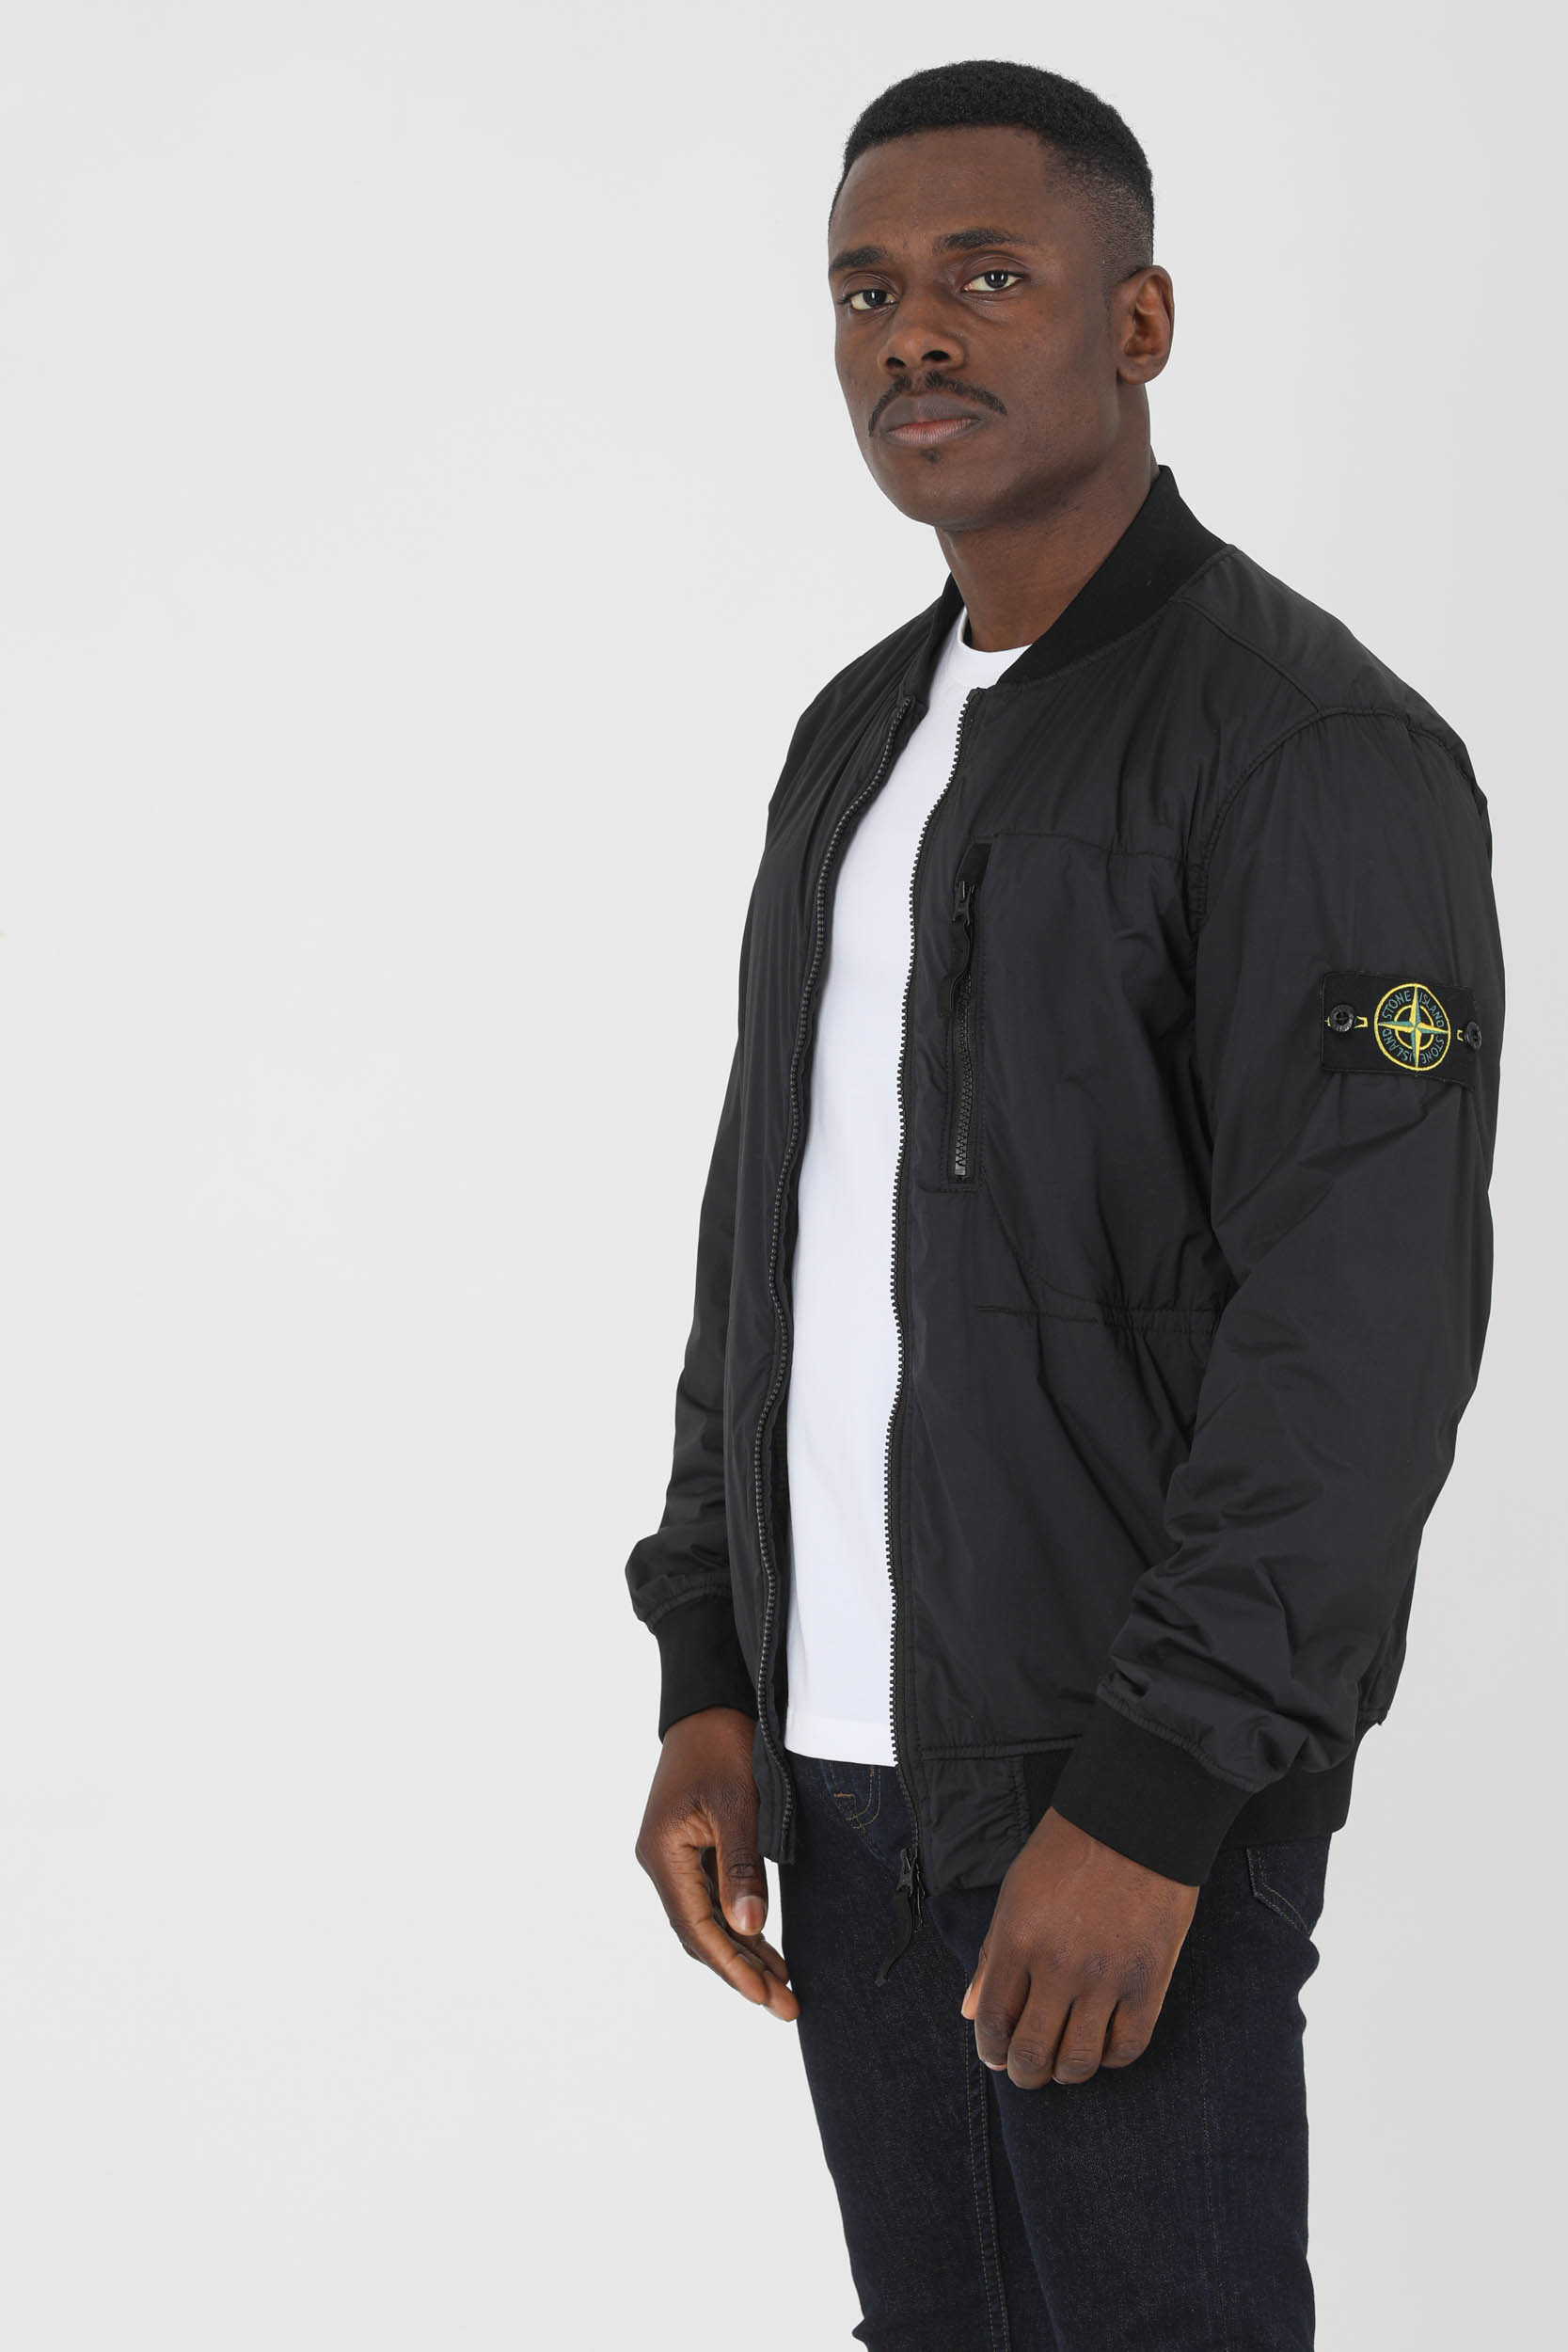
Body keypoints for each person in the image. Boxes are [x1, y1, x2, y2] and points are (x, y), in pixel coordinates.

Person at [624, 56, 1504, 2351]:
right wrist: (711, 1662)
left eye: (987, 276)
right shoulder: (852, 741)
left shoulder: (1312, 750)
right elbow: (769, 1236)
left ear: (1140, 323)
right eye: (866, 291)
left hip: (1113, 1798)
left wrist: (1164, 1786)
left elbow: (1360, 1327)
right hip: (842, 1787)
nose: (912, 332)